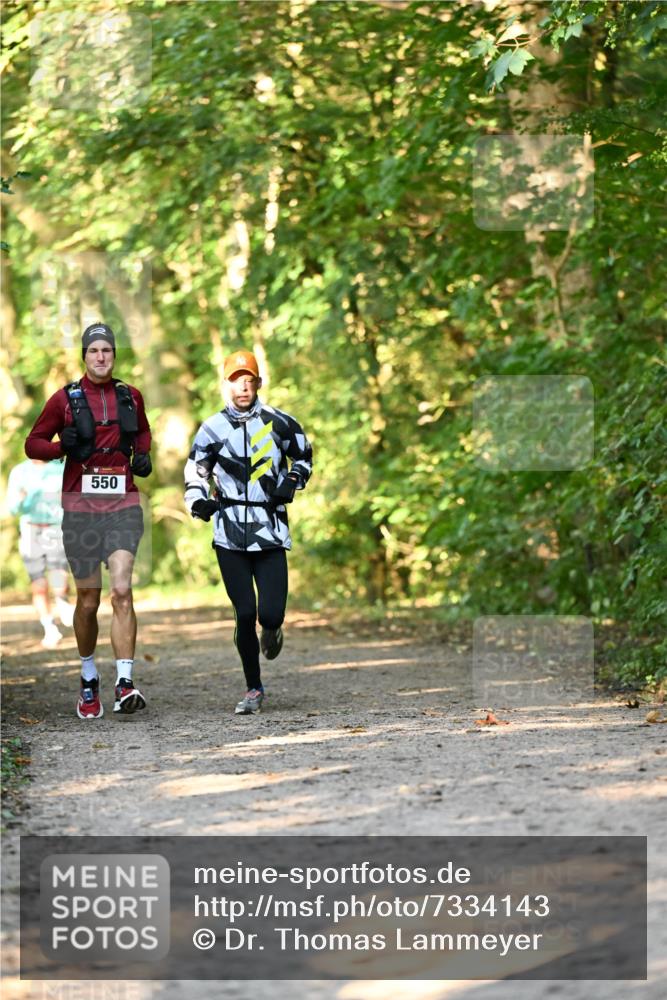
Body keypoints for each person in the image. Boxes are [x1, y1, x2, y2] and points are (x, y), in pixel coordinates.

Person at [24, 322, 152, 720]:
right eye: (94, 350)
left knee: (122, 590)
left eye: (107, 350)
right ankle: (88, 677)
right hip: (80, 513)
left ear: (114, 355)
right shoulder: (65, 399)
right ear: (85, 355)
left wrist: (143, 454)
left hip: (122, 507)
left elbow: (143, 432)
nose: (101, 356)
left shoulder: (130, 396)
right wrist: (60, 448)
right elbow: (32, 444)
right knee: (89, 599)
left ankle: (125, 683)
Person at [184, 350, 313, 715]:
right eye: (236, 380)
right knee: (244, 613)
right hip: (229, 533)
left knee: (270, 615)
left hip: (269, 530)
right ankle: (253, 688)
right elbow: (196, 472)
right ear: (226, 384)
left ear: (258, 382)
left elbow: (304, 456)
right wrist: (197, 502)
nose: (243, 386)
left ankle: (273, 629)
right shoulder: (212, 428)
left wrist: (293, 479)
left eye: (249, 379)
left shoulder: (280, 422)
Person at [6, 458, 74, 648]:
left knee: (60, 578)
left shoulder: (61, 468)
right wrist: (20, 499)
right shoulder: (19, 471)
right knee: (39, 584)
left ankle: (62, 600)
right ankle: (49, 628)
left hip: (56, 528)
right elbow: (11, 508)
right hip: (30, 530)